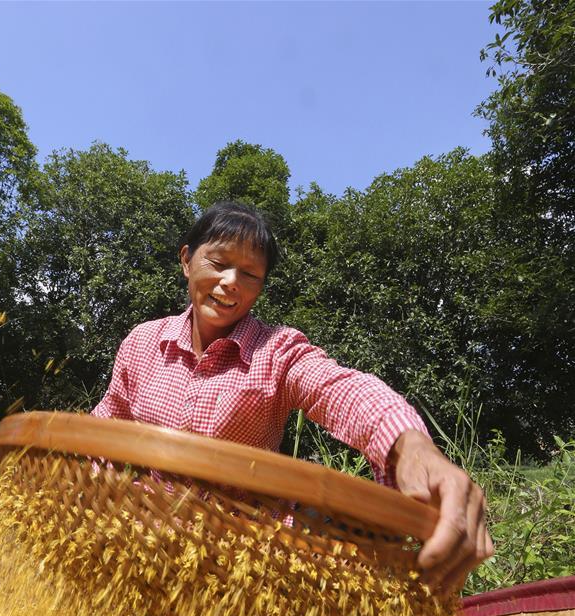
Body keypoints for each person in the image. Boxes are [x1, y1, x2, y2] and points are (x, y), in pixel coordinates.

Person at [92, 201, 493, 595]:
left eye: (250, 274)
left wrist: (413, 447)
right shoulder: (143, 344)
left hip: (249, 563)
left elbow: (341, 389)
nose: (231, 282)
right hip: (147, 547)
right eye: (218, 263)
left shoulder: (276, 352)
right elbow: (103, 429)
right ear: (186, 260)